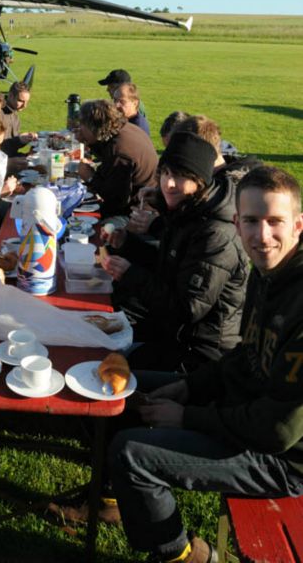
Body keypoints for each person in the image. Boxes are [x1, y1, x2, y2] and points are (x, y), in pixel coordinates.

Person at [109, 165, 303, 563]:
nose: (262, 235)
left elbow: (277, 431)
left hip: (284, 460)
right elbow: (246, 354)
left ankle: (183, 555)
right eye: (251, 221)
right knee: (124, 387)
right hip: (244, 408)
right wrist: (189, 386)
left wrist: (187, 417)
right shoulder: (268, 272)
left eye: (275, 221)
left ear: (298, 225)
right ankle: (110, 499)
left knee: (131, 454)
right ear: (237, 223)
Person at [105, 131, 248, 371]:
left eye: (180, 176)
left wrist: (131, 274)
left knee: (108, 368)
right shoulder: (187, 211)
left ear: (200, 181)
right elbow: (170, 267)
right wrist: (127, 244)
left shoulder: (215, 235)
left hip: (200, 354)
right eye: (166, 173)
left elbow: (186, 309)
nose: (168, 183)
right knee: (99, 336)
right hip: (172, 332)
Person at [76, 99, 158, 218]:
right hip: (141, 200)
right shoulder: (125, 129)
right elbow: (106, 150)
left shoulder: (120, 152)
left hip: (137, 212)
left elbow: (116, 200)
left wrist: (90, 177)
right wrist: (87, 141)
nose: (79, 128)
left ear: (93, 127)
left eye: (82, 125)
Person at [0, 81, 38, 160]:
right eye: (21, 101)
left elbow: (12, 147)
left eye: (27, 102)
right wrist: (19, 140)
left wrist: (25, 138)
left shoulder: (14, 114)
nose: (25, 106)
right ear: (10, 95)